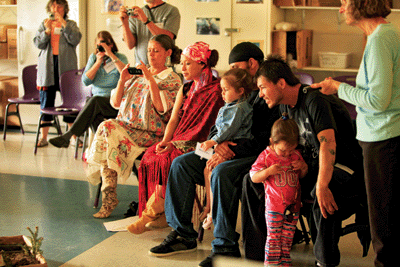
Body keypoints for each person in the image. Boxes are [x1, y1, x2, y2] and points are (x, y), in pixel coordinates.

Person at [148, 42, 280, 267]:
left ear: (252, 64)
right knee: (181, 164)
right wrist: (218, 145)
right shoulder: (232, 91)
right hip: (226, 148)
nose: (232, 72)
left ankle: (225, 246)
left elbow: (266, 139)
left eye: (236, 66)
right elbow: (217, 126)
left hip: (254, 156)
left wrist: (231, 149)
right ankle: (182, 234)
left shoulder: (267, 91)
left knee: (220, 172)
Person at [255, 54, 368, 267]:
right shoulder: (285, 107)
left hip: (344, 169)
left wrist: (322, 185)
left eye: (263, 87)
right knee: (253, 182)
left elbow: (328, 144)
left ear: (281, 83)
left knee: (324, 191)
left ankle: (324, 262)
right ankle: (262, 255)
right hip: (312, 167)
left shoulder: (315, 100)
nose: (260, 94)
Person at [310, 1, 400, 266]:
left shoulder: (380, 39)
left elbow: (378, 100)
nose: (341, 9)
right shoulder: (384, 34)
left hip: (383, 137)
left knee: (383, 223)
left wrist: (337, 86)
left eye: (345, 3)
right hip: (383, 136)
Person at [126, 41, 224, 234]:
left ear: (203, 64)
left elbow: (209, 128)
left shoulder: (217, 90)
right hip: (180, 139)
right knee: (152, 155)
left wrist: (176, 144)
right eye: (182, 63)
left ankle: (151, 213)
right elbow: (173, 119)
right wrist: (165, 141)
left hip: (204, 145)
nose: (182, 68)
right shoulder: (186, 88)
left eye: (188, 63)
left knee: (170, 158)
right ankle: (161, 213)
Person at [85, 34, 182, 219]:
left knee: (108, 130)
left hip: (150, 133)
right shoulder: (137, 75)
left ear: (167, 53)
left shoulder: (172, 79)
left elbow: (162, 108)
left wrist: (150, 79)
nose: (151, 55)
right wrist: (122, 80)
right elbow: (115, 103)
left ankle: (109, 196)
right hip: (125, 128)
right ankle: (109, 195)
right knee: (109, 134)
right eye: (149, 51)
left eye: (156, 51)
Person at [49, 30, 128, 148]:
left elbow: (126, 75)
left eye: (105, 43)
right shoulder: (94, 58)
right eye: (99, 44)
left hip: (114, 102)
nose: (102, 47)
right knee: (93, 109)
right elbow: (85, 81)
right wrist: (98, 62)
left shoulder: (120, 57)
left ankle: (71, 135)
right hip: (97, 103)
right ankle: (106, 146)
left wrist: (111, 55)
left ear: (111, 44)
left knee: (93, 101)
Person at [250, 112, 307, 267]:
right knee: (274, 237)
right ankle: (271, 264)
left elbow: (303, 174)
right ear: (272, 142)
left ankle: (284, 263)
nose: (287, 154)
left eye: (291, 150)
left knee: (287, 238)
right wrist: (268, 171)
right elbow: (254, 177)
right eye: (283, 151)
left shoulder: (295, 155)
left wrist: (302, 166)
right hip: (274, 206)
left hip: (293, 206)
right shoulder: (266, 156)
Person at [200, 68, 254, 230]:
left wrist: (212, 142)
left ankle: (212, 213)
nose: (222, 94)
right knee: (206, 168)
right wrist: (213, 142)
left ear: (240, 91)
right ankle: (209, 207)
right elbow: (217, 127)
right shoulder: (230, 105)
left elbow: (228, 129)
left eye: (226, 90)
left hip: (236, 145)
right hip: (222, 143)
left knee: (214, 170)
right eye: (221, 90)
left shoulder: (238, 108)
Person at [33, 0, 82, 147]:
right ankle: (44, 137)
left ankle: (73, 137)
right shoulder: (44, 23)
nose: (56, 9)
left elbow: (76, 39)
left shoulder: (71, 24)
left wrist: (64, 25)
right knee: (46, 101)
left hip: (66, 68)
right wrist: (47, 31)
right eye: (53, 6)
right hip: (47, 68)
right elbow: (37, 43)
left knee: (69, 103)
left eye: (59, 6)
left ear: (64, 9)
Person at [119, 0, 180, 65]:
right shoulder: (136, 13)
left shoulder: (171, 11)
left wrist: (146, 20)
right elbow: (130, 45)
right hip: (141, 68)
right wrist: (124, 23)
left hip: (163, 68)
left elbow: (167, 39)